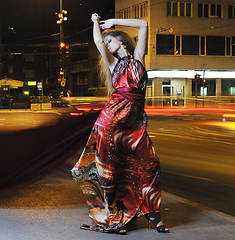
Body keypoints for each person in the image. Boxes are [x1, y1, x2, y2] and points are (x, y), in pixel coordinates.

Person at [70, 13, 169, 234]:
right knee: (109, 172)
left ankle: (154, 216)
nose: (106, 44)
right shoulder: (113, 63)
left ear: (121, 41)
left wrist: (115, 23)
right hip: (111, 123)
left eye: (110, 40)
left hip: (135, 125)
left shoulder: (139, 59)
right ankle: (113, 219)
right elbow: (97, 41)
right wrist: (95, 23)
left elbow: (143, 24)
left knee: (150, 165)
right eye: (106, 42)